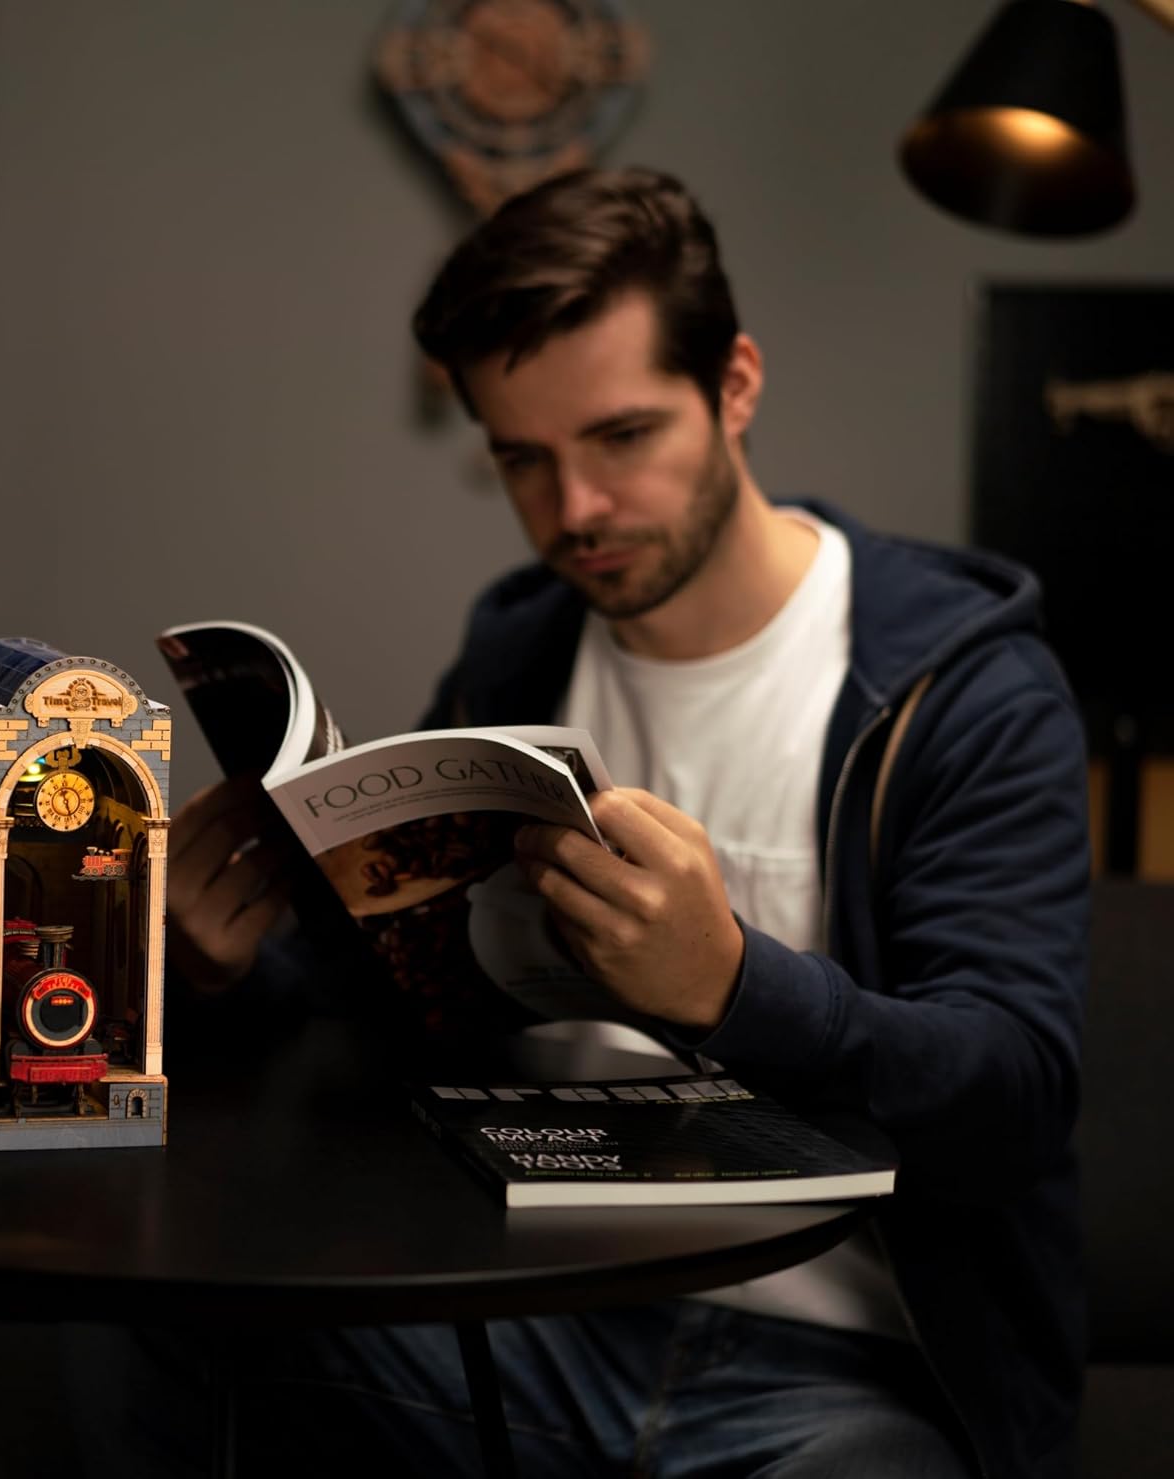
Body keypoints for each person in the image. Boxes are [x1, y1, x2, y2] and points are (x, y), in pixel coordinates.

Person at [126, 167, 1090, 1478]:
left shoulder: (961, 693)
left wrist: (732, 986)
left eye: (624, 436)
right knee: (147, 1311)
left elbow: (1014, 1099)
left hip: (848, 1380)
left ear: (735, 386)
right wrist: (218, 963)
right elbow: (389, 993)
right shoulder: (519, 649)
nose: (572, 510)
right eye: (523, 457)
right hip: (532, 1325)